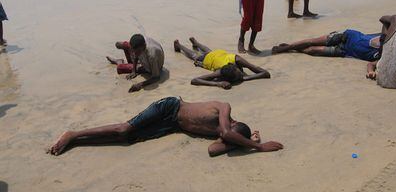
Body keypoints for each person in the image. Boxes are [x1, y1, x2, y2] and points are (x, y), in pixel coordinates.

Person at [47, 96, 284, 156]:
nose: (222, 138)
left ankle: (77, 142)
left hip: (172, 125)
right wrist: (258, 148)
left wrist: (245, 144)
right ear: (234, 123)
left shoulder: (225, 136)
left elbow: (213, 149)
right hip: (170, 107)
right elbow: (225, 132)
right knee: (124, 130)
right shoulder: (224, 108)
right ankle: (73, 133)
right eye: (229, 135)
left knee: (127, 141)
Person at [174, 37, 270, 89]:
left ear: (234, 65)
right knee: (195, 56)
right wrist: (218, 84)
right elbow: (194, 80)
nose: (241, 75)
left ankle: (195, 42)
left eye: (239, 73)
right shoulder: (219, 72)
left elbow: (265, 73)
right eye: (239, 75)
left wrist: (245, 78)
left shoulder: (237, 59)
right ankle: (179, 45)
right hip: (208, 59)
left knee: (209, 51)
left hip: (218, 54)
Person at [366, 0, 396, 89]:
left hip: (380, 77)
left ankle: (380, 55)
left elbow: (382, 19)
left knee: (387, 23)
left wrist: (385, 41)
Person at [272, 29, 381, 61]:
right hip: (346, 36)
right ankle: (287, 47)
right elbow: (385, 19)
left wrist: (371, 72)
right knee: (312, 41)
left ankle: (295, 48)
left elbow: (371, 64)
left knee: (313, 51)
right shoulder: (384, 35)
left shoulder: (382, 55)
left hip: (343, 51)